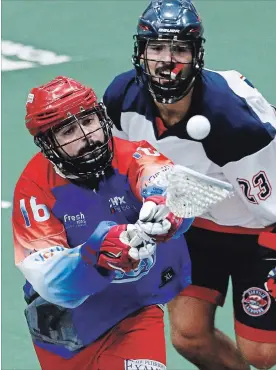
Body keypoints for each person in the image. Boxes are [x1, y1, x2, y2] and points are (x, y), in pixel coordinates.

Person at [102, 1, 276, 369]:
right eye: (158, 47)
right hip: (195, 222)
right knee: (188, 335)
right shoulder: (121, 98)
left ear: (197, 55)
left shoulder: (234, 123)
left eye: (180, 48)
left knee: (262, 354)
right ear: (141, 51)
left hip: (260, 228)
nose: (167, 60)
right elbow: (122, 171)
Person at [12, 75, 195, 370]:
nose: (86, 137)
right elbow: (47, 277)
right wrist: (95, 255)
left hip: (135, 309)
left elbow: (166, 181)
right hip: (66, 326)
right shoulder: (34, 189)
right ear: (48, 144)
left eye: (88, 122)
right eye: (68, 131)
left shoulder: (134, 154)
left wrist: (168, 207)